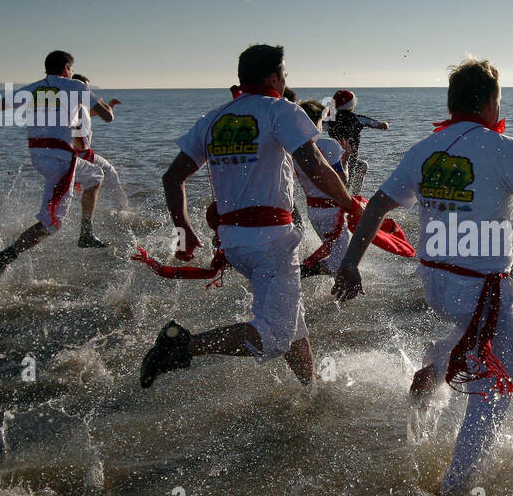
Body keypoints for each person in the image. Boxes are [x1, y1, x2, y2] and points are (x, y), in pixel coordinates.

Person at [332, 57, 513, 495]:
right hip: (481, 290)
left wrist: (350, 264)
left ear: (452, 101)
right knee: (495, 387)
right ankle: (455, 492)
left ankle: (436, 369)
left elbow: (377, 206)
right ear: (492, 101)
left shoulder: (426, 148)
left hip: (435, 282)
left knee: (470, 340)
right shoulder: (504, 149)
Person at [138, 44, 356, 389]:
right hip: (272, 241)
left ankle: (310, 391)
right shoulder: (280, 110)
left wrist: (185, 228)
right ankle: (181, 347)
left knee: (292, 320)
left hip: (234, 243)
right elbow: (314, 165)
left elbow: (172, 177)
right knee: (275, 336)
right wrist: (350, 202)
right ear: (274, 77)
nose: (286, 81)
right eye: (284, 74)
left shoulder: (214, 117)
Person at [0, 50, 115, 286]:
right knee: (51, 224)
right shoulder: (75, 86)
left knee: (95, 174)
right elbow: (107, 117)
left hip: (39, 155)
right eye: (71, 69)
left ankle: (86, 232)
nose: (71, 73)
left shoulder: (32, 89)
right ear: (66, 68)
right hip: (60, 160)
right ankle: (1, 258)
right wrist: (106, 107)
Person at [295, 100, 353, 276]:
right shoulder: (329, 145)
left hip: (313, 210)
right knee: (341, 262)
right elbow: (342, 181)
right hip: (331, 211)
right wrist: (346, 159)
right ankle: (298, 273)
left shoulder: (294, 148)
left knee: (336, 255)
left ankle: (304, 273)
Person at [71, 75, 127, 218]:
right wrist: (80, 145)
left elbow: (91, 113)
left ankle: (83, 208)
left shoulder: (76, 104)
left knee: (96, 178)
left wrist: (109, 106)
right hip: (81, 154)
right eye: (85, 87)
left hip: (77, 154)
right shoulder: (73, 106)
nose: (87, 90)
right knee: (109, 172)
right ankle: (121, 209)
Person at [326, 89, 388, 194]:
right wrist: (385, 123)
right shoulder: (357, 119)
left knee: (360, 166)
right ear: (351, 105)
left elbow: (316, 127)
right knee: (357, 171)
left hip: (331, 159)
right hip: (349, 158)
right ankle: (354, 198)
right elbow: (383, 126)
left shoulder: (329, 120)